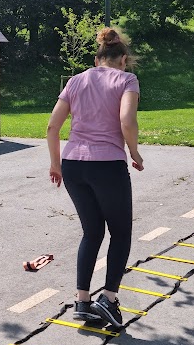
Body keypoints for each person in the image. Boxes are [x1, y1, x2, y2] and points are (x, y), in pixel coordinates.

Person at [46, 27, 144, 328]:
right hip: (107, 165)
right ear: (123, 60)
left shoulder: (76, 80)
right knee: (121, 233)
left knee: (92, 233)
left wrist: (56, 164)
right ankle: (109, 299)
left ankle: (82, 301)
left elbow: (52, 127)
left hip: (73, 165)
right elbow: (126, 120)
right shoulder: (127, 80)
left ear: (96, 59)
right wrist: (135, 153)